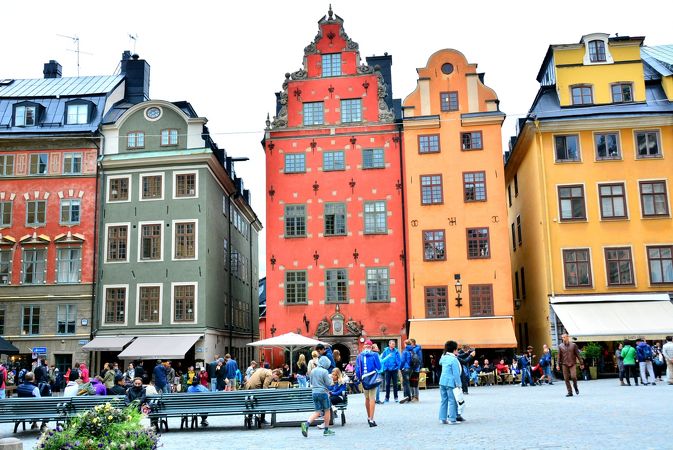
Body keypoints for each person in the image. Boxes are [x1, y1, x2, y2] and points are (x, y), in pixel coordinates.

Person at [300, 356, 334, 437]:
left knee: (317, 411)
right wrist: (331, 379)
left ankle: (306, 424)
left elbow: (311, 381)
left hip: (314, 392)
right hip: (323, 392)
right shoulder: (325, 371)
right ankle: (326, 430)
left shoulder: (313, 371)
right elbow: (329, 383)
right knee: (327, 410)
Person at [355, 340, 382, 427]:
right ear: (371, 347)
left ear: (364, 347)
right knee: (372, 399)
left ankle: (368, 416)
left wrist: (360, 379)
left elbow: (358, 369)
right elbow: (379, 366)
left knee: (367, 399)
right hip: (373, 378)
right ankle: (371, 419)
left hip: (364, 379)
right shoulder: (375, 355)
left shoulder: (359, 356)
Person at [438, 340, 463, 425]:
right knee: (452, 400)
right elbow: (456, 374)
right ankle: (452, 419)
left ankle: (442, 418)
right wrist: (459, 384)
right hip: (450, 383)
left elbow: (440, 362)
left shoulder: (444, 357)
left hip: (442, 381)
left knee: (443, 400)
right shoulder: (453, 359)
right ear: (454, 349)